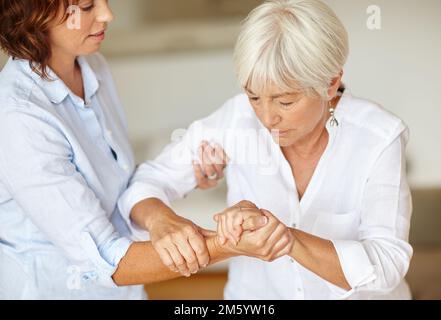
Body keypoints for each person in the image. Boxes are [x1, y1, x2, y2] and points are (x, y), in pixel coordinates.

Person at [120, 0, 414, 299]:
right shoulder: (236, 119)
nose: (266, 117)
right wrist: (161, 221)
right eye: (254, 97)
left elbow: (387, 264)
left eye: (285, 101)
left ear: (330, 83)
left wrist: (288, 239)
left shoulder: (379, 136)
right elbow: (146, 183)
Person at [0, 0, 281, 299]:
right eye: (86, 6)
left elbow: (117, 189)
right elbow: (109, 260)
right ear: (33, 16)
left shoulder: (92, 67)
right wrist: (229, 243)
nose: (108, 15)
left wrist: (162, 213)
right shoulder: (19, 117)